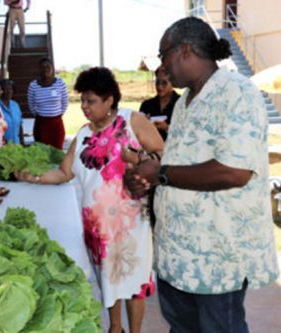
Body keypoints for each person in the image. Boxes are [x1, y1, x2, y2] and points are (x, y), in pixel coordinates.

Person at [123, 17, 279, 333]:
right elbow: (181, 163)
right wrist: (146, 179)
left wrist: (161, 174)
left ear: (185, 50)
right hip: (178, 254)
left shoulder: (237, 93)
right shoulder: (185, 103)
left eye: (163, 55)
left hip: (217, 256)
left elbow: (234, 172)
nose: (162, 66)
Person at [17, 67, 164, 333]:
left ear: (109, 99)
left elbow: (162, 155)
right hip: (97, 229)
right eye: (82, 100)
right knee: (109, 280)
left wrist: (140, 160)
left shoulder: (133, 122)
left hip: (130, 224)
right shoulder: (83, 134)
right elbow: (64, 172)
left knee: (134, 283)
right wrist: (33, 177)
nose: (84, 106)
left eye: (90, 101)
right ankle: (115, 328)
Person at [27, 57, 69, 149]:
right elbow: (31, 105)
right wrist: (42, 115)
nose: (45, 69)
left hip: (56, 124)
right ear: (39, 69)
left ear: (52, 69)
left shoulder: (60, 83)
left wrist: (56, 115)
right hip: (41, 124)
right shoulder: (33, 86)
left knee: (57, 153)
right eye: (42, 67)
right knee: (43, 154)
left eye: (48, 67)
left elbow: (65, 102)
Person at [139, 66, 180, 141]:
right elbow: (138, 131)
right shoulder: (147, 105)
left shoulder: (181, 104)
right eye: (157, 82)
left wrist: (167, 128)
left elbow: (187, 132)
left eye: (164, 83)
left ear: (173, 83)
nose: (160, 87)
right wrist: (144, 123)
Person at [0, 79, 24, 145]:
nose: (9, 91)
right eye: (6, 89)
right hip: (2, 147)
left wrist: (22, 142)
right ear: (0, 91)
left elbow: (20, 125)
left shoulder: (15, 105)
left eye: (11, 89)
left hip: (17, 145)